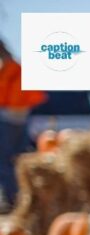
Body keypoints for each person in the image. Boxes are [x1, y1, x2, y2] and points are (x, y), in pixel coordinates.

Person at [0, 40, 47, 212]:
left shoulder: (10, 71)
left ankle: (15, 200)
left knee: (6, 161)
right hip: (20, 118)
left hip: (9, 118)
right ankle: (21, 199)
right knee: (17, 159)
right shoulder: (17, 69)